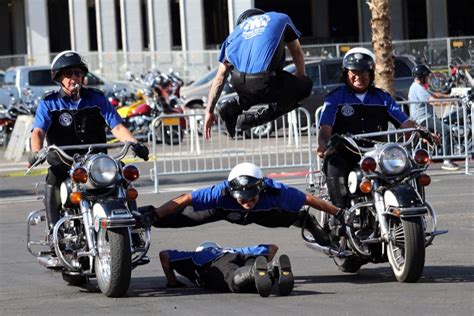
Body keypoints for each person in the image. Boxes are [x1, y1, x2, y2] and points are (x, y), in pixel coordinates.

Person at [29, 50, 149, 266]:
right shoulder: (49, 103)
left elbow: (117, 126)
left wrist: (135, 144)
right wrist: (37, 151)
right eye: (69, 74)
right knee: (53, 178)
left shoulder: (96, 98)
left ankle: (133, 225)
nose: (74, 78)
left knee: (122, 172)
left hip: (95, 161)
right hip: (64, 162)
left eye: (78, 73)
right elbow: (38, 132)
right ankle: (54, 236)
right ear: (58, 78)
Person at [136, 162, 346, 247]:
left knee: (295, 217)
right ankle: (137, 217)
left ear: (261, 190)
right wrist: (155, 215)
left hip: (264, 213)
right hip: (223, 211)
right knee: (164, 219)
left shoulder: (275, 192)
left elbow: (309, 199)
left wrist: (337, 212)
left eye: (251, 197)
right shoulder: (220, 192)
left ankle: (309, 223)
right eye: (242, 199)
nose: (247, 202)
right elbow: (184, 199)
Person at [317, 47, 419, 208]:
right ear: (346, 74)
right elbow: (325, 128)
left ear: (370, 73)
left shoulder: (383, 98)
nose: (358, 77)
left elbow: (404, 123)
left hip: (376, 154)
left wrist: (419, 131)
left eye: (363, 72)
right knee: (333, 165)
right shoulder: (335, 97)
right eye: (354, 72)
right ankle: (340, 215)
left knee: (406, 169)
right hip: (345, 153)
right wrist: (324, 145)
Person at [203, 9, 312, 139]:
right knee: (305, 85)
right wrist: (300, 75)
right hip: (266, 81)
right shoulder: (280, 18)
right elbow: (296, 51)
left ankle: (231, 106)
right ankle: (255, 119)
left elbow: (220, 77)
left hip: (239, 83)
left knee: (256, 91)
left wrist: (209, 111)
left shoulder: (233, 36)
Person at [159, 241, 294, 297]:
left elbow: (164, 255)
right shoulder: (232, 249)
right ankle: (273, 268)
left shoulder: (196, 256)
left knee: (230, 279)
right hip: (243, 256)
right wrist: (266, 264)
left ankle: (253, 272)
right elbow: (272, 247)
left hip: (216, 263)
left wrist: (172, 281)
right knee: (253, 285)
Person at [408, 64, 459, 171]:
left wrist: (451, 96)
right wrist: (449, 103)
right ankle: (447, 160)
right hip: (423, 119)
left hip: (425, 117)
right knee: (446, 130)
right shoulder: (417, 88)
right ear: (422, 77)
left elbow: (435, 95)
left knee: (438, 136)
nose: (428, 78)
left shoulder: (419, 87)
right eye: (427, 76)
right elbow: (432, 100)